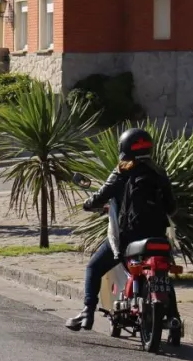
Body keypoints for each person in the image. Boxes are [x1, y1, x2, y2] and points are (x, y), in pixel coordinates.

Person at [66, 127, 179, 332]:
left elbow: (100, 196)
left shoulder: (121, 172)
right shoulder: (159, 173)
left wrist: (88, 204)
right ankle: (174, 318)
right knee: (163, 276)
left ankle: (87, 312)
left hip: (128, 237)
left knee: (93, 267)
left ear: (124, 148)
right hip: (157, 238)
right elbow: (172, 208)